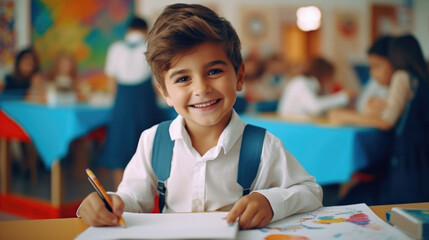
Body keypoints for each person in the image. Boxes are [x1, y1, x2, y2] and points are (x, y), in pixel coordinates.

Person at [78, 3, 323, 229]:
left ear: (239, 77)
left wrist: (270, 202)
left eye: (214, 71)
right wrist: (109, 203)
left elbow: (310, 191)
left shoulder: (263, 146)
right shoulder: (154, 141)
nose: (201, 89)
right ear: (164, 92)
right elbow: (132, 198)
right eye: (183, 79)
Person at [339, 34, 429, 205]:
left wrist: (344, 115)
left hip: (407, 170)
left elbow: (387, 121)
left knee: (353, 195)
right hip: (417, 166)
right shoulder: (420, 79)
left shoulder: (402, 76)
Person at [97, 16, 166, 188]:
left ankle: (120, 193)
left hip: (122, 104)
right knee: (147, 149)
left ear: (128, 30)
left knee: (119, 149)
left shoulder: (115, 48)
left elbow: (112, 83)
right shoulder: (150, 46)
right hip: (144, 104)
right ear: (145, 31)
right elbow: (156, 83)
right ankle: (150, 194)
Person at [328, 36, 395, 128]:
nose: (372, 74)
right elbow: (362, 106)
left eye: (377, 66)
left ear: (395, 63)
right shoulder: (376, 82)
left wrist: (345, 116)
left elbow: (386, 121)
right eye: (371, 67)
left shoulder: (400, 81)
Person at [277, 57, 353, 118]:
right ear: (324, 74)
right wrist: (343, 96)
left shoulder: (312, 85)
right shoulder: (302, 83)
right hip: (289, 126)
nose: (332, 80)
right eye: (331, 76)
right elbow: (314, 107)